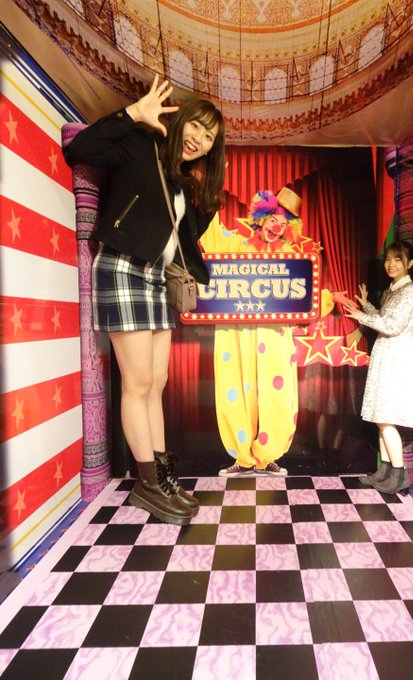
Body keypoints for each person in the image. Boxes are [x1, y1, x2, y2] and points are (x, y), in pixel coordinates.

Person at [64, 75, 226, 523]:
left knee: (157, 382)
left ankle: (163, 477)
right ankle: (148, 485)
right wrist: (133, 114)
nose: (199, 139)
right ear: (179, 120)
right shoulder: (141, 145)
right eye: (196, 126)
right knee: (137, 384)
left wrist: (207, 192)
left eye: (209, 137)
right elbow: (80, 150)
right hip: (122, 268)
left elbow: (186, 238)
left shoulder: (181, 182)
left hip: (156, 279)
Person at [200, 188, 313, 477]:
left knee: (276, 395)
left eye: (284, 225)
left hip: (274, 336)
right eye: (274, 220)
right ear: (261, 219)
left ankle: (268, 456)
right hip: (237, 336)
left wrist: (323, 300)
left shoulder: (289, 255)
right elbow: (210, 233)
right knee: (236, 388)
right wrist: (207, 189)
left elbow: (305, 293)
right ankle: (243, 458)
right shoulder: (236, 245)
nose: (277, 228)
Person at [342, 240, 413, 495]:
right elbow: (384, 317)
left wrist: (361, 316)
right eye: (388, 259)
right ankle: (384, 471)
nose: (391, 264)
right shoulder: (392, 290)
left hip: (397, 358)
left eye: (398, 259)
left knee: (387, 419)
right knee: (381, 418)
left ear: (409, 263)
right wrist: (366, 306)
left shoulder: (409, 293)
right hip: (386, 356)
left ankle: (399, 476)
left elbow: (392, 326)